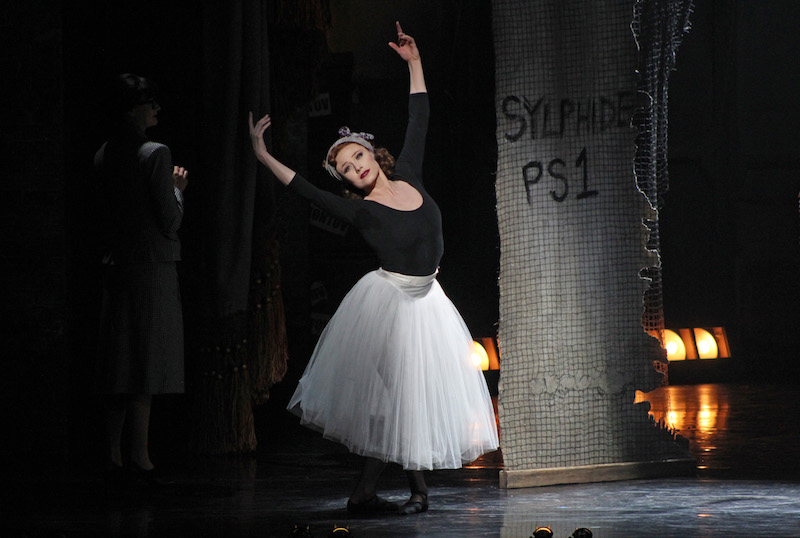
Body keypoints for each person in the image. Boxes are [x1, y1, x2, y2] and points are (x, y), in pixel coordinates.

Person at [248, 23, 499, 515]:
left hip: (429, 301)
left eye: (357, 156)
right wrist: (262, 155)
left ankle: (370, 492)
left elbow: (419, 117)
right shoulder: (360, 211)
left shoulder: (409, 174)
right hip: (389, 305)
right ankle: (411, 491)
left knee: (408, 402)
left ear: (372, 153)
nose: (355, 166)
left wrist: (414, 63)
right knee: (402, 401)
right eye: (345, 168)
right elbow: (306, 190)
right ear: (346, 180)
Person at [93, 73, 188, 487]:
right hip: (151, 267)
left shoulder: (103, 153)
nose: (157, 110)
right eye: (150, 103)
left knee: (119, 362)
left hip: (117, 267)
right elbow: (170, 222)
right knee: (145, 363)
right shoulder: (155, 153)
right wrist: (179, 189)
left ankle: (112, 454)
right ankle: (141, 456)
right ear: (134, 108)